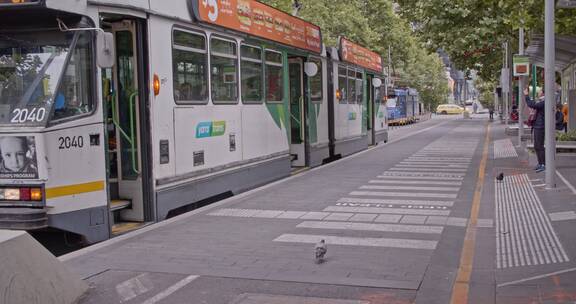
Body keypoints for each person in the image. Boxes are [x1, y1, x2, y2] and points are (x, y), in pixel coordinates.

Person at [524, 88, 545, 173]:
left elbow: (531, 104)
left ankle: (543, 164)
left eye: (540, 91)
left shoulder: (544, 101)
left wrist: (526, 95)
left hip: (540, 126)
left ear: (543, 93)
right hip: (537, 125)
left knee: (539, 146)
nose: (538, 92)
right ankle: (540, 163)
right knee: (537, 146)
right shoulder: (541, 101)